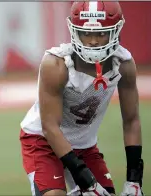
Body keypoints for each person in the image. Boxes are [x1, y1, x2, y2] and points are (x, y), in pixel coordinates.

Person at [19, 1, 144, 196]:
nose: (93, 41)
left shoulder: (124, 64)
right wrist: (86, 179)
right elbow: (50, 127)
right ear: (75, 31)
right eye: (86, 33)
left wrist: (134, 180)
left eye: (101, 33)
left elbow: (131, 120)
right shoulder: (57, 64)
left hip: (84, 145)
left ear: (115, 31)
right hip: (43, 141)